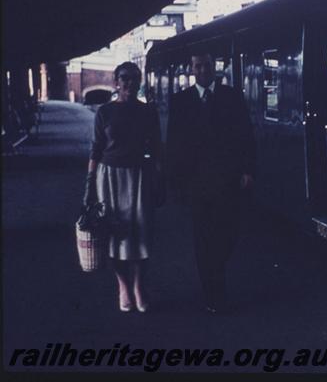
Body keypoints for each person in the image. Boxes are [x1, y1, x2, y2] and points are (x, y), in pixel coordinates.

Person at [166, 53, 255, 313]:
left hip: (228, 179)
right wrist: (176, 182)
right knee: (203, 239)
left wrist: (248, 170)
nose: (203, 70)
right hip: (197, 182)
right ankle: (213, 294)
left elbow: (246, 135)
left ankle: (215, 273)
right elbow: (174, 144)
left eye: (207, 65)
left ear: (214, 67)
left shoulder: (232, 96)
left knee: (229, 234)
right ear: (191, 69)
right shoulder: (180, 101)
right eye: (198, 66)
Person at [84, 61, 162, 312]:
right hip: (109, 178)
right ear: (116, 82)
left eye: (134, 78)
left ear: (140, 82)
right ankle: (123, 286)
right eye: (125, 78)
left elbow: (156, 149)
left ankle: (138, 285)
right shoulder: (104, 112)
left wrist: (160, 179)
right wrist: (89, 185)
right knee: (114, 235)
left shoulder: (148, 111)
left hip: (140, 176)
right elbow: (96, 149)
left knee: (141, 233)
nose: (130, 82)